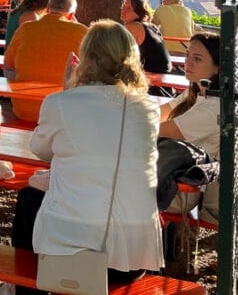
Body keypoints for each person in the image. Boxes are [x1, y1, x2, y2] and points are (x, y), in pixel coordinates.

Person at [10, 20, 163, 294]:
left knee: (28, 199)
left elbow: (40, 149)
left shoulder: (62, 103)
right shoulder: (149, 108)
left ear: (87, 58)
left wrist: (68, 92)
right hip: (133, 254)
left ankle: (23, 289)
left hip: (71, 251)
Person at [159, 32, 221, 222]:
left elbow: (155, 129)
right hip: (167, 175)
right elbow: (157, 113)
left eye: (197, 59)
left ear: (217, 68)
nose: (188, 63)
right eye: (188, 56)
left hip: (178, 193)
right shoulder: (195, 93)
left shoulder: (213, 108)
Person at [4, 0, 88, 122]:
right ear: (71, 15)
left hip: (23, 108)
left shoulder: (26, 28)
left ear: (48, 9)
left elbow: (8, 65)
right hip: (61, 112)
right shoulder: (82, 32)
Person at [120, 0, 172, 75]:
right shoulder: (152, 26)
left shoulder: (133, 27)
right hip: (165, 73)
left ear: (138, 12)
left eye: (128, 8)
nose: (123, 10)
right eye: (123, 6)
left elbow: (121, 54)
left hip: (152, 76)